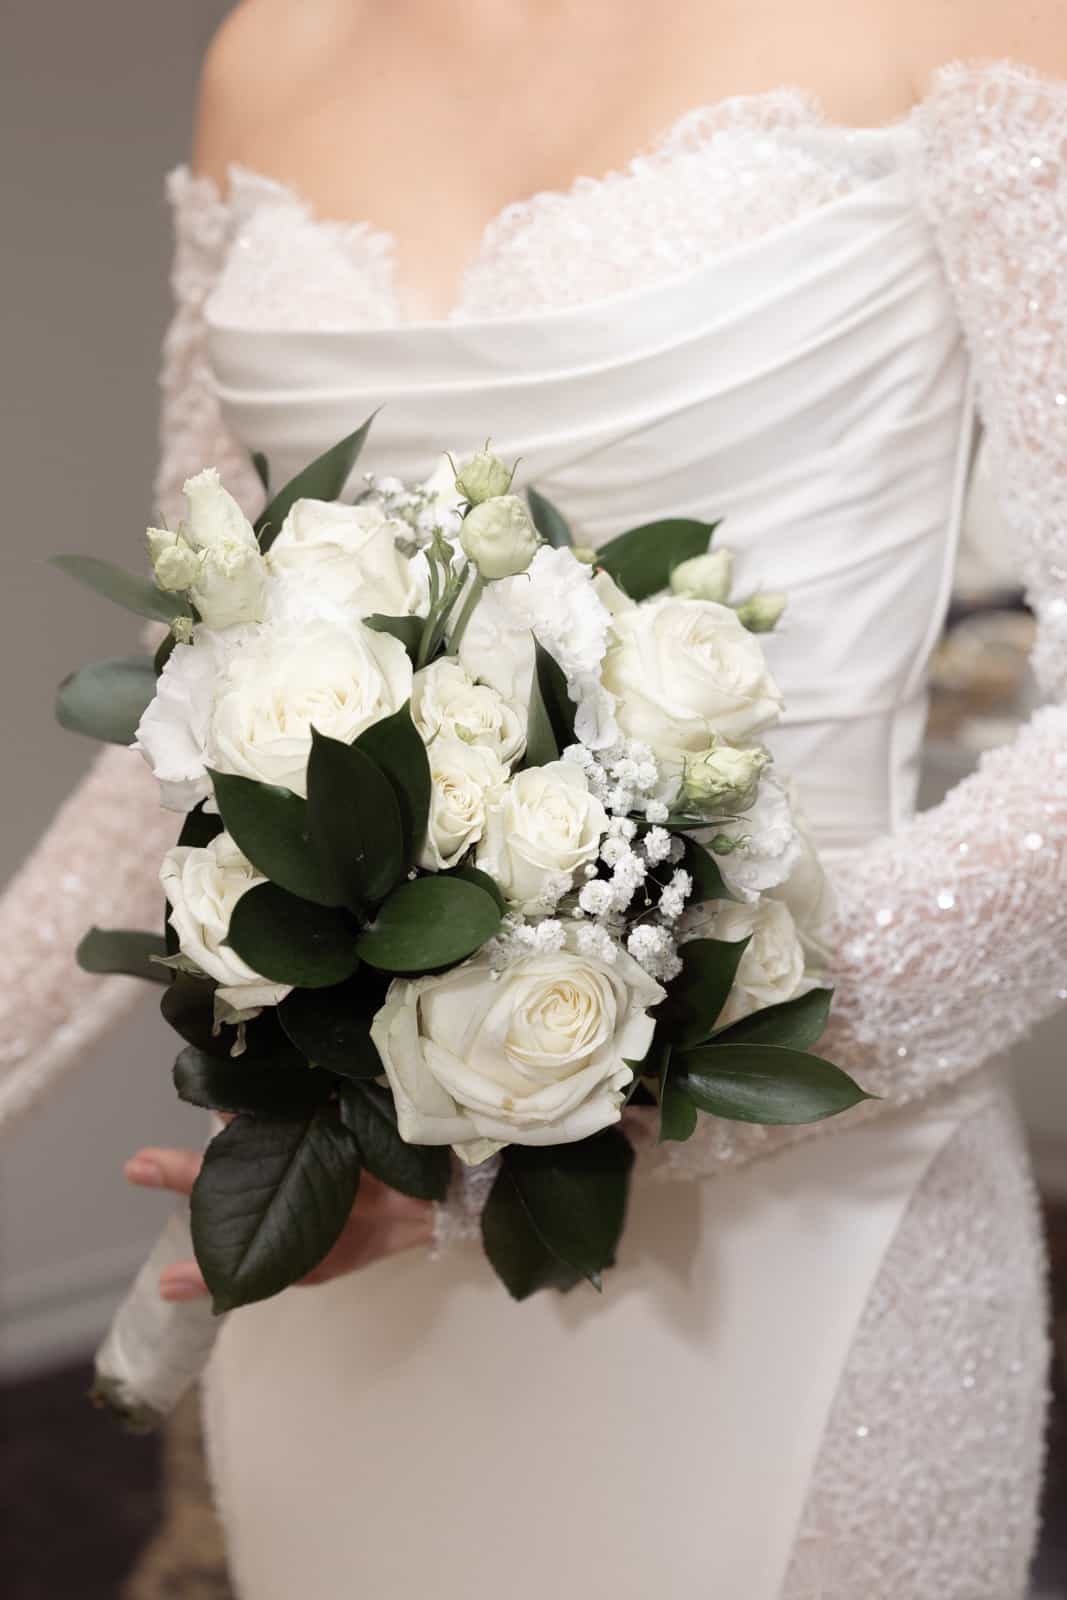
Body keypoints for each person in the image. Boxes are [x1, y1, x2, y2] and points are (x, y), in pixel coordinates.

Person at [3, 2, 1065, 1593]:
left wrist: (551, 1115)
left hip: (803, 1233)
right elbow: (201, 693)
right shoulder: (268, 57)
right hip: (350, 1283)